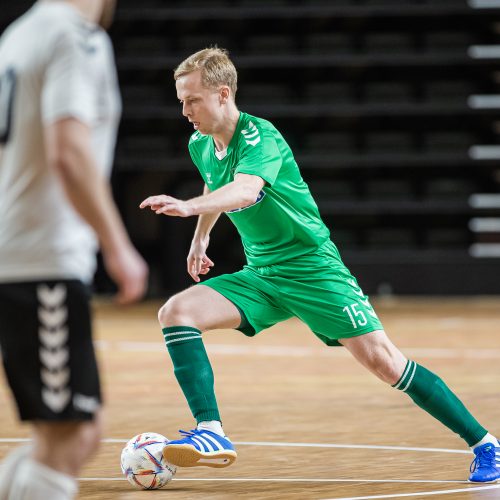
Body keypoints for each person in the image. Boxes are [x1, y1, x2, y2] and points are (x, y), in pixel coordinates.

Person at [140, 47, 499, 482]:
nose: (184, 111)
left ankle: (486, 445)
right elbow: (217, 181)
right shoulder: (200, 144)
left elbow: (245, 190)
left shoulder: (260, 136)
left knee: (387, 363)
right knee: (176, 312)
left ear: (222, 94)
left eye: (191, 100)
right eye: (181, 101)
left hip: (313, 269)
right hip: (263, 273)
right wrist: (201, 237)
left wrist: (188, 207)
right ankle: (210, 431)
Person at [0, 1, 148, 499]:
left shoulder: (17, 36)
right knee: (72, 435)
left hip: (20, 254)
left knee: (69, 431)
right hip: (41, 260)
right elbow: (69, 150)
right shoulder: (75, 36)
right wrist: (118, 245)